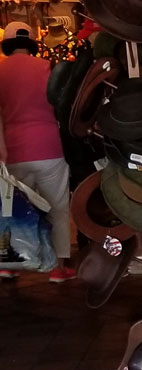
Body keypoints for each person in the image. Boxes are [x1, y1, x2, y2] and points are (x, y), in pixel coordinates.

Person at [0, 22, 73, 282]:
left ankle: (10, 264)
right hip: (49, 145)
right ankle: (59, 268)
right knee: (57, 208)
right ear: (33, 42)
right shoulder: (48, 67)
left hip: (12, 149)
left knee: (13, 209)